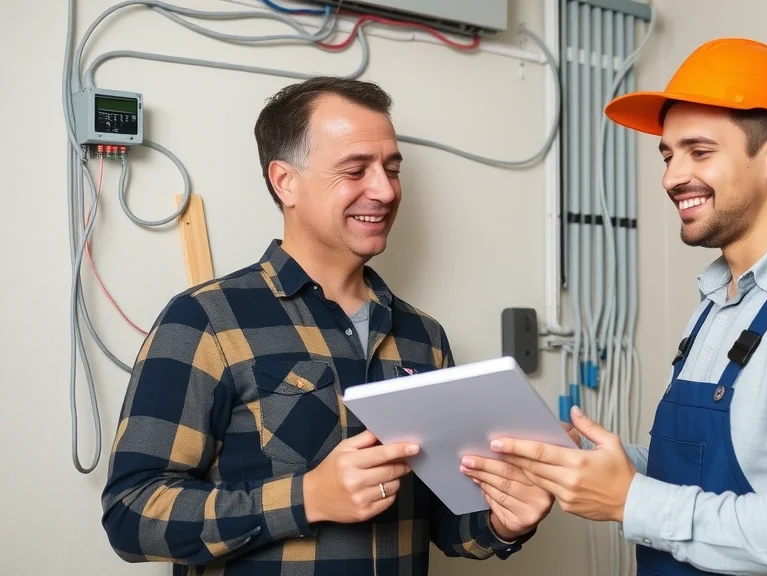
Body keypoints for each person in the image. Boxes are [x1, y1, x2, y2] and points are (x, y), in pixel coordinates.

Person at [461, 38, 767, 576]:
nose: (672, 176)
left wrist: (631, 502)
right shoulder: (720, 299)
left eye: (699, 152)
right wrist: (590, 466)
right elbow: (717, 473)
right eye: (668, 154)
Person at [101, 77, 554, 576]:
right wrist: (307, 498)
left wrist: (504, 522)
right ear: (284, 181)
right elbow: (131, 512)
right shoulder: (205, 319)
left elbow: (444, 522)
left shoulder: (423, 337)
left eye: (392, 169)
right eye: (356, 169)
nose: (383, 190)